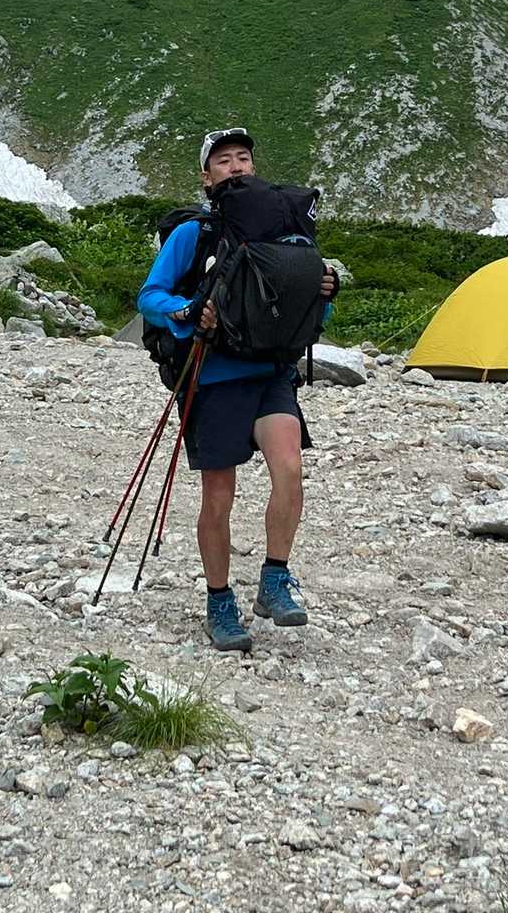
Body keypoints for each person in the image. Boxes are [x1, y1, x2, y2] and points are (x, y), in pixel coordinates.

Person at [137, 127, 337, 653]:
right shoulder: (194, 234)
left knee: (289, 469)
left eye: (243, 157)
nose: (235, 166)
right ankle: (219, 602)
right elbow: (150, 297)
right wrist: (187, 312)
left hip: (270, 373)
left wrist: (324, 292)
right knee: (219, 495)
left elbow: (308, 310)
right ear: (206, 178)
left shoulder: (284, 231)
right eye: (223, 160)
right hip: (213, 376)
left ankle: (275, 579)